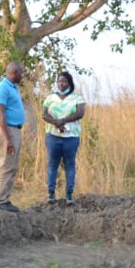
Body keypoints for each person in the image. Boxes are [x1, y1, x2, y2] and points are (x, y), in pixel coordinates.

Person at [40, 71, 86, 205]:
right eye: (59, 81)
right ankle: (51, 193)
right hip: (53, 136)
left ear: (69, 83)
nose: (61, 84)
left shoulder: (77, 97)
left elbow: (80, 113)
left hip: (71, 137)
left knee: (70, 164)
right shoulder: (50, 98)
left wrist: (63, 120)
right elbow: (44, 115)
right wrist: (56, 123)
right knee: (52, 163)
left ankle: (69, 193)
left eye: (64, 81)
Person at [0, 62, 26, 212]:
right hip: (7, 130)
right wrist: (7, 139)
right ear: (14, 72)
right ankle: (0, 200)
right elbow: (0, 112)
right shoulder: (3, 87)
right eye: (21, 73)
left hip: (15, 130)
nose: (22, 76)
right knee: (6, 165)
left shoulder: (13, 87)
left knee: (11, 166)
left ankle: (5, 199)